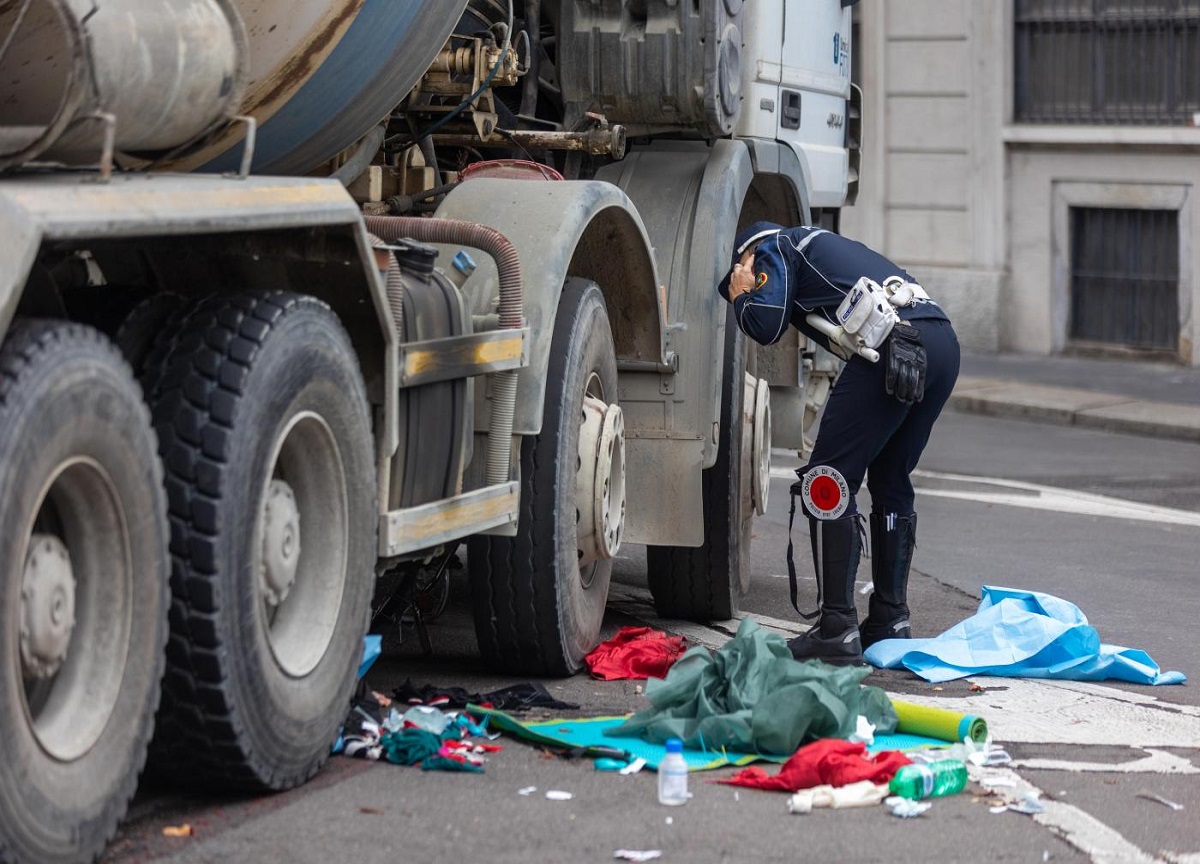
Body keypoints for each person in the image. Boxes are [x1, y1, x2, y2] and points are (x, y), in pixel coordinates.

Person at [718, 221, 960, 665]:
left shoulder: (772, 246)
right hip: (941, 340)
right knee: (890, 476)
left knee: (826, 480)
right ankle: (890, 619)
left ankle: (836, 629)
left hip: (894, 343)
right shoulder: (824, 244)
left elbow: (766, 323)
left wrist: (741, 294)